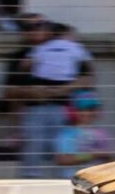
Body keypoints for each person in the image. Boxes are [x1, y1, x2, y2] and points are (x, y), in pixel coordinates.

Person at [7, 15, 95, 177]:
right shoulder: (19, 56)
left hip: (67, 110)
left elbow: (88, 79)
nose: (36, 30)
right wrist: (32, 92)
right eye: (29, 27)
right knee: (33, 148)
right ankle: (31, 179)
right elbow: (9, 91)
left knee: (64, 147)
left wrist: (63, 89)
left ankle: (63, 180)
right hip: (34, 110)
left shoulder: (73, 50)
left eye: (40, 25)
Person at [53, 90, 115, 170]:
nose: (88, 113)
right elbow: (63, 160)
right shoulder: (67, 133)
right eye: (83, 109)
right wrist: (92, 155)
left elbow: (111, 159)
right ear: (73, 111)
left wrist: (108, 157)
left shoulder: (101, 133)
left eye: (92, 109)